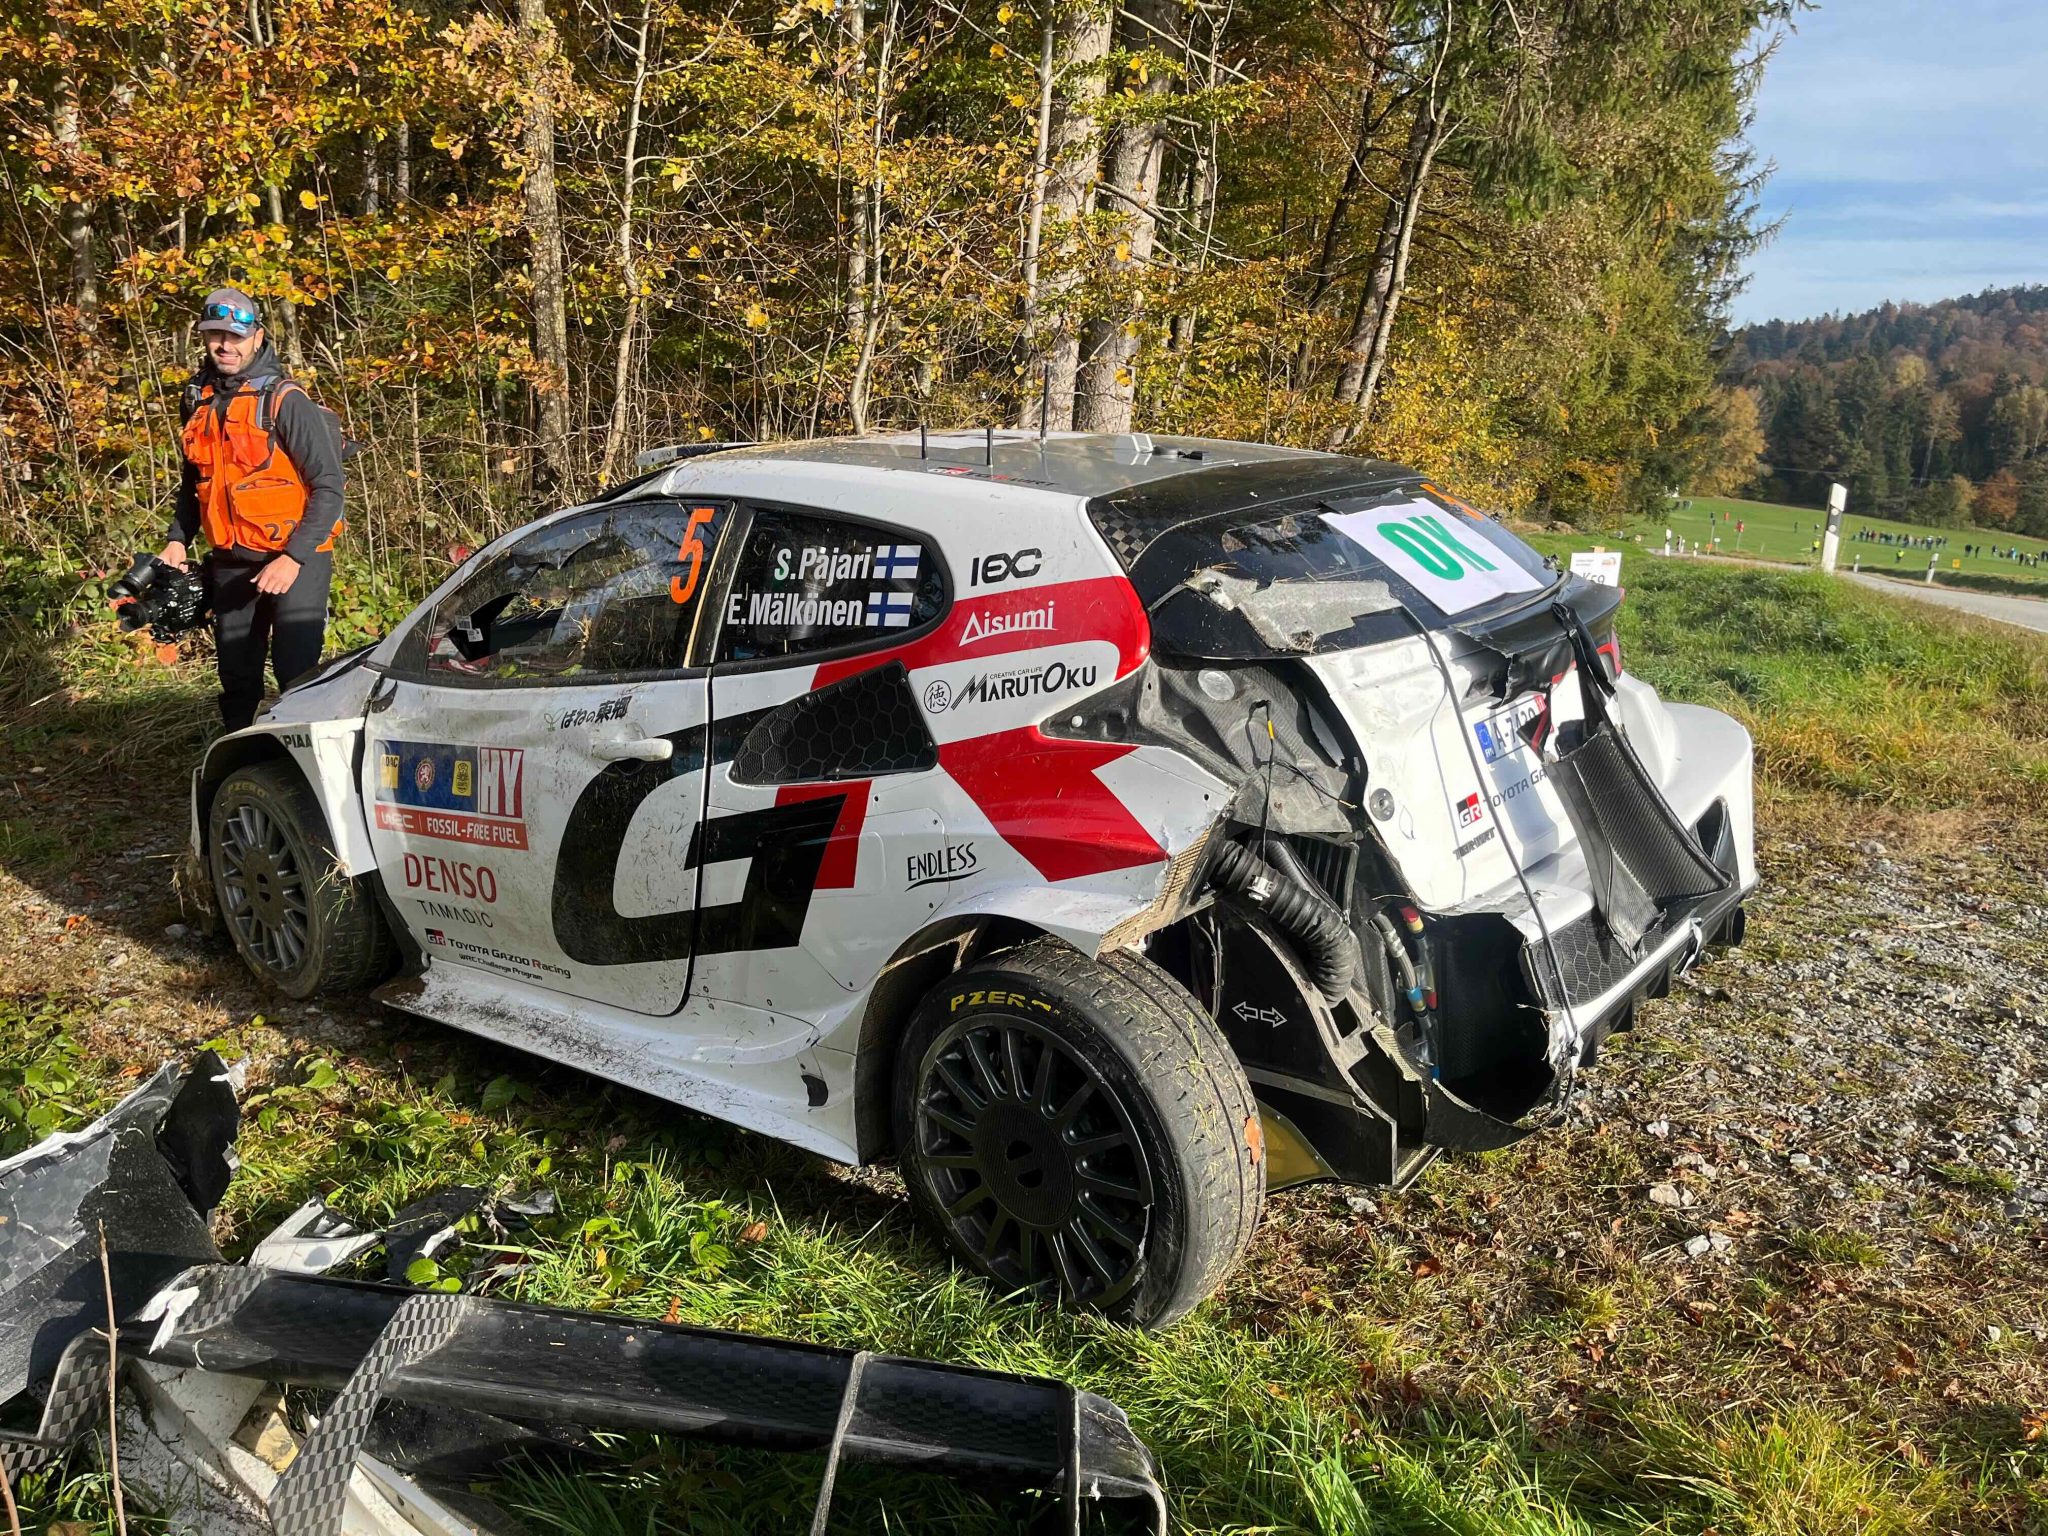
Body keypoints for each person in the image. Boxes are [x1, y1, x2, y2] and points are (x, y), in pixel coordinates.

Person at [158, 288, 346, 732]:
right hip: (231, 559)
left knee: (296, 674)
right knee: (237, 675)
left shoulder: (286, 400)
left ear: (257, 337)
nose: (225, 345)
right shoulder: (197, 398)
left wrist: (292, 557)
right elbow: (194, 481)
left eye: (235, 336)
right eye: (215, 335)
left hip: (296, 558)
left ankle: (300, 760)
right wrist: (177, 539)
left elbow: (329, 488)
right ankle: (241, 757)